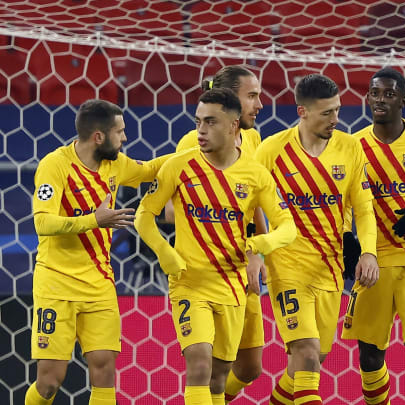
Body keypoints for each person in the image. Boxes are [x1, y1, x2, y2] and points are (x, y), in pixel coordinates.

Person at [134, 88, 296, 405]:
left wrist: (260, 248)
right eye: (198, 122)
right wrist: (165, 253)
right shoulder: (178, 166)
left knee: (219, 378)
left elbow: (288, 226)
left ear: (234, 125)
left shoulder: (256, 175)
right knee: (198, 363)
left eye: (210, 122)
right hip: (189, 283)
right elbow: (144, 215)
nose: (201, 130)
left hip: (233, 286)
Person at [26, 99, 170, 405]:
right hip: (56, 283)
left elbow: (150, 169)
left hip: (99, 284)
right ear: (99, 137)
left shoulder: (115, 165)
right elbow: (42, 222)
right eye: (120, 132)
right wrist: (95, 220)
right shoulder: (55, 165)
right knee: (50, 381)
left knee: (104, 370)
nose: (126, 138)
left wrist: (196, 152)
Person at [254, 74, 378, 404]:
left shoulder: (350, 148)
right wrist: (255, 253)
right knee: (307, 353)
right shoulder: (272, 151)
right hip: (287, 268)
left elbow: (364, 208)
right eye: (326, 113)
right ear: (302, 112)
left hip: (330, 270)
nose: (335, 119)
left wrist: (369, 252)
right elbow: (245, 202)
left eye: (337, 110)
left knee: (310, 361)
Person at [340, 67, 405, 404]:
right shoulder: (354, 147)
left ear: (404, 99)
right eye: (374, 93)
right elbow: (341, 198)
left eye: (388, 93)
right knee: (369, 358)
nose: (380, 100)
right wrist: (346, 239)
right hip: (374, 262)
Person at [167, 65, 268, 403]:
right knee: (204, 367)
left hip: (242, 267)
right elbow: (169, 210)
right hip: (204, 271)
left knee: (250, 367)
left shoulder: (253, 139)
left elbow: (255, 202)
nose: (259, 104)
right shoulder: (191, 143)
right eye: (251, 96)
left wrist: (259, 254)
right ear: (229, 102)